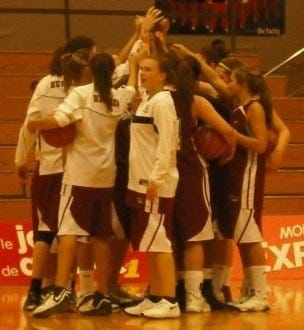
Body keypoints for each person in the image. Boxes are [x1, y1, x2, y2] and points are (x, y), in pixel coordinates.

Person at [27, 52, 138, 318]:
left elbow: (59, 121)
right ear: (111, 72)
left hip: (79, 175)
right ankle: (100, 294)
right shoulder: (117, 97)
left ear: (89, 70)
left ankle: (61, 292)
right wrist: (133, 65)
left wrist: (36, 124)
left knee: (67, 232)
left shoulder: (81, 94)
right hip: (105, 176)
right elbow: (133, 89)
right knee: (100, 234)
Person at [16, 36, 96, 312]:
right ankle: (67, 288)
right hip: (78, 171)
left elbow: (30, 124)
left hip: (49, 169)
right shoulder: (86, 90)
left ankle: (41, 289)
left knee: (46, 233)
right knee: (70, 233)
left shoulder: (46, 84)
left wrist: (18, 161)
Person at [123, 53, 181, 319]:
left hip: (155, 182)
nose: (142, 73)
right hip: (140, 180)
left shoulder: (162, 103)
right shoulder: (147, 99)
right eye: (142, 68)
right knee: (150, 242)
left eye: (148, 69)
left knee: (161, 243)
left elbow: (167, 144)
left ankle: (169, 300)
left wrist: (156, 179)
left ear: (163, 75)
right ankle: (155, 295)